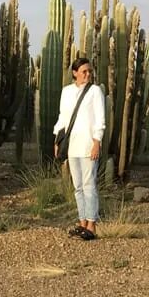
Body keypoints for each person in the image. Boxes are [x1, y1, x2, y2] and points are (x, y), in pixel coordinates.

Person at [53, 57, 105, 241]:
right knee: (78, 187)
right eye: (84, 71)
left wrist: (97, 141)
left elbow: (100, 118)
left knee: (89, 185)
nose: (88, 74)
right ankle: (82, 222)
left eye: (89, 71)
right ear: (75, 73)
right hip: (72, 146)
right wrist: (57, 140)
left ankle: (92, 225)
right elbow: (63, 117)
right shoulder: (66, 92)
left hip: (88, 144)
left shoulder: (95, 92)